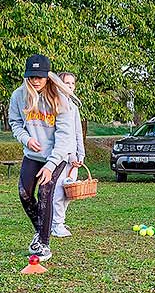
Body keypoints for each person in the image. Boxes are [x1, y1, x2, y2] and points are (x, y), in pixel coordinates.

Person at [8, 54, 76, 261]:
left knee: (46, 191)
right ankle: (41, 229)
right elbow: (15, 122)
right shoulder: (19, 96)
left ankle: (44, 244)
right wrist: (26, 138)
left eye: (39, 76)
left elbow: (65, 137)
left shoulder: (60, 98)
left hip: (56, 154)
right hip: (33, 153)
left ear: (47, 76)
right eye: (31, 76)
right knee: (24, 193)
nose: (35, 81)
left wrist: (51, 165)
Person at [51, 72, 85, 237]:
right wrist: (70, 154)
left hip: (74, 160)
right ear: (59, 84)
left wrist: (80, 155)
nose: (70, 86)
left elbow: (78, 133)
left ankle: (58, 222)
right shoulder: (54, 104)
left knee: (69, 193)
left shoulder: (74, 106)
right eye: (66, 83)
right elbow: (59, 135)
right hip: (61, 157)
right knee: (58, 192)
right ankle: (56, 225)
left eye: (72, 83)